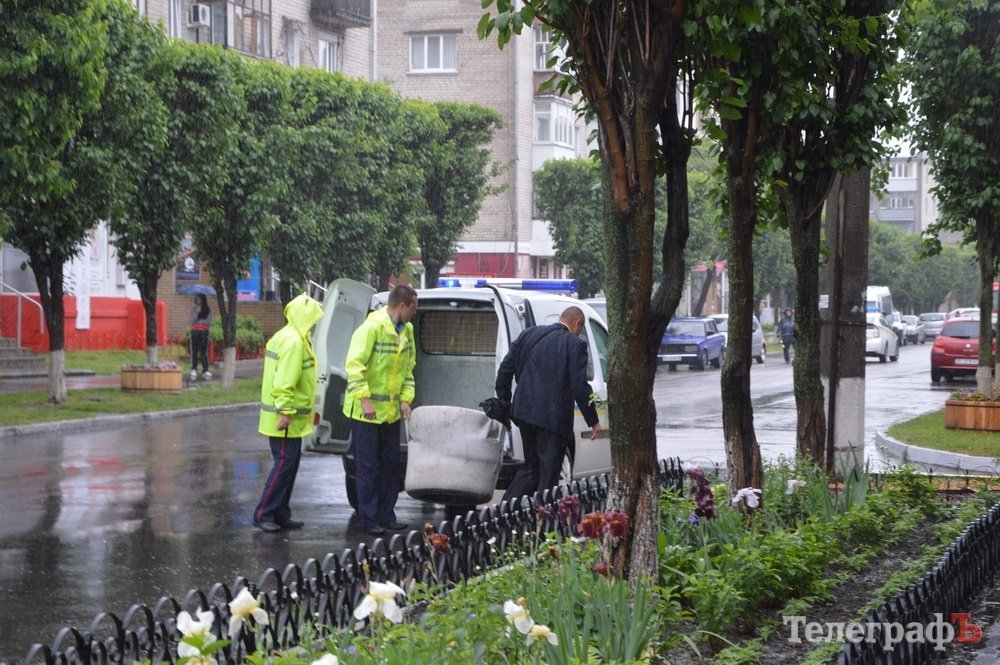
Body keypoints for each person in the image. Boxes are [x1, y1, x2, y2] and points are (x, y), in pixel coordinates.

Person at [497, 306, 602, 504]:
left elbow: (504, 371)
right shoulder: (574, 345)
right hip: (553, 421)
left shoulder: (528, 334)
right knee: (549, 474)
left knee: (531, 468)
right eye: (580, 329)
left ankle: (505, 511)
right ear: (578, 324)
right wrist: (593, 420)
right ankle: (543, 522)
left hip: (524, 414)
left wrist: (505, 406)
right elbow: (579, 386)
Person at [343, 284, 419, 536]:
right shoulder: (372, 328)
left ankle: (387, 515)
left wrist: (405, 399)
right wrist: (364, 399)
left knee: (390, 466)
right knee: (368, 466)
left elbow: (407, 370)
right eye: (414, 308)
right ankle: (369, 518)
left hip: (389, 412)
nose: (415, 313)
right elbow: (354, 367)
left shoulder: (406, 330)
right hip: (366, 412)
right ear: (402, 305)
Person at [252, 293, 325, 533]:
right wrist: (285, 411)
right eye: (313, 319)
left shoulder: (290, 337)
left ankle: (281, 512)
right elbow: (284, 381)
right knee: (284, 465)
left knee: (289, 465)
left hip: (289, 417)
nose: (315, 323)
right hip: (285, 418)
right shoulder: (294, 341)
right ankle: (264, 513)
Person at [188, 293, 213, 381]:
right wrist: (197, 314)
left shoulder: (208, 309)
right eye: (197, 299)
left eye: (200, 299)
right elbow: (191, 320)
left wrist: (200, 321)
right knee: (194, 350)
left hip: (204, 332)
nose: (198, 301)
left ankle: (205, 369)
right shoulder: (194, 309)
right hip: (195, 332)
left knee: (204, 351)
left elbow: (208, 321)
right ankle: (194, 368)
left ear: (203, 300)